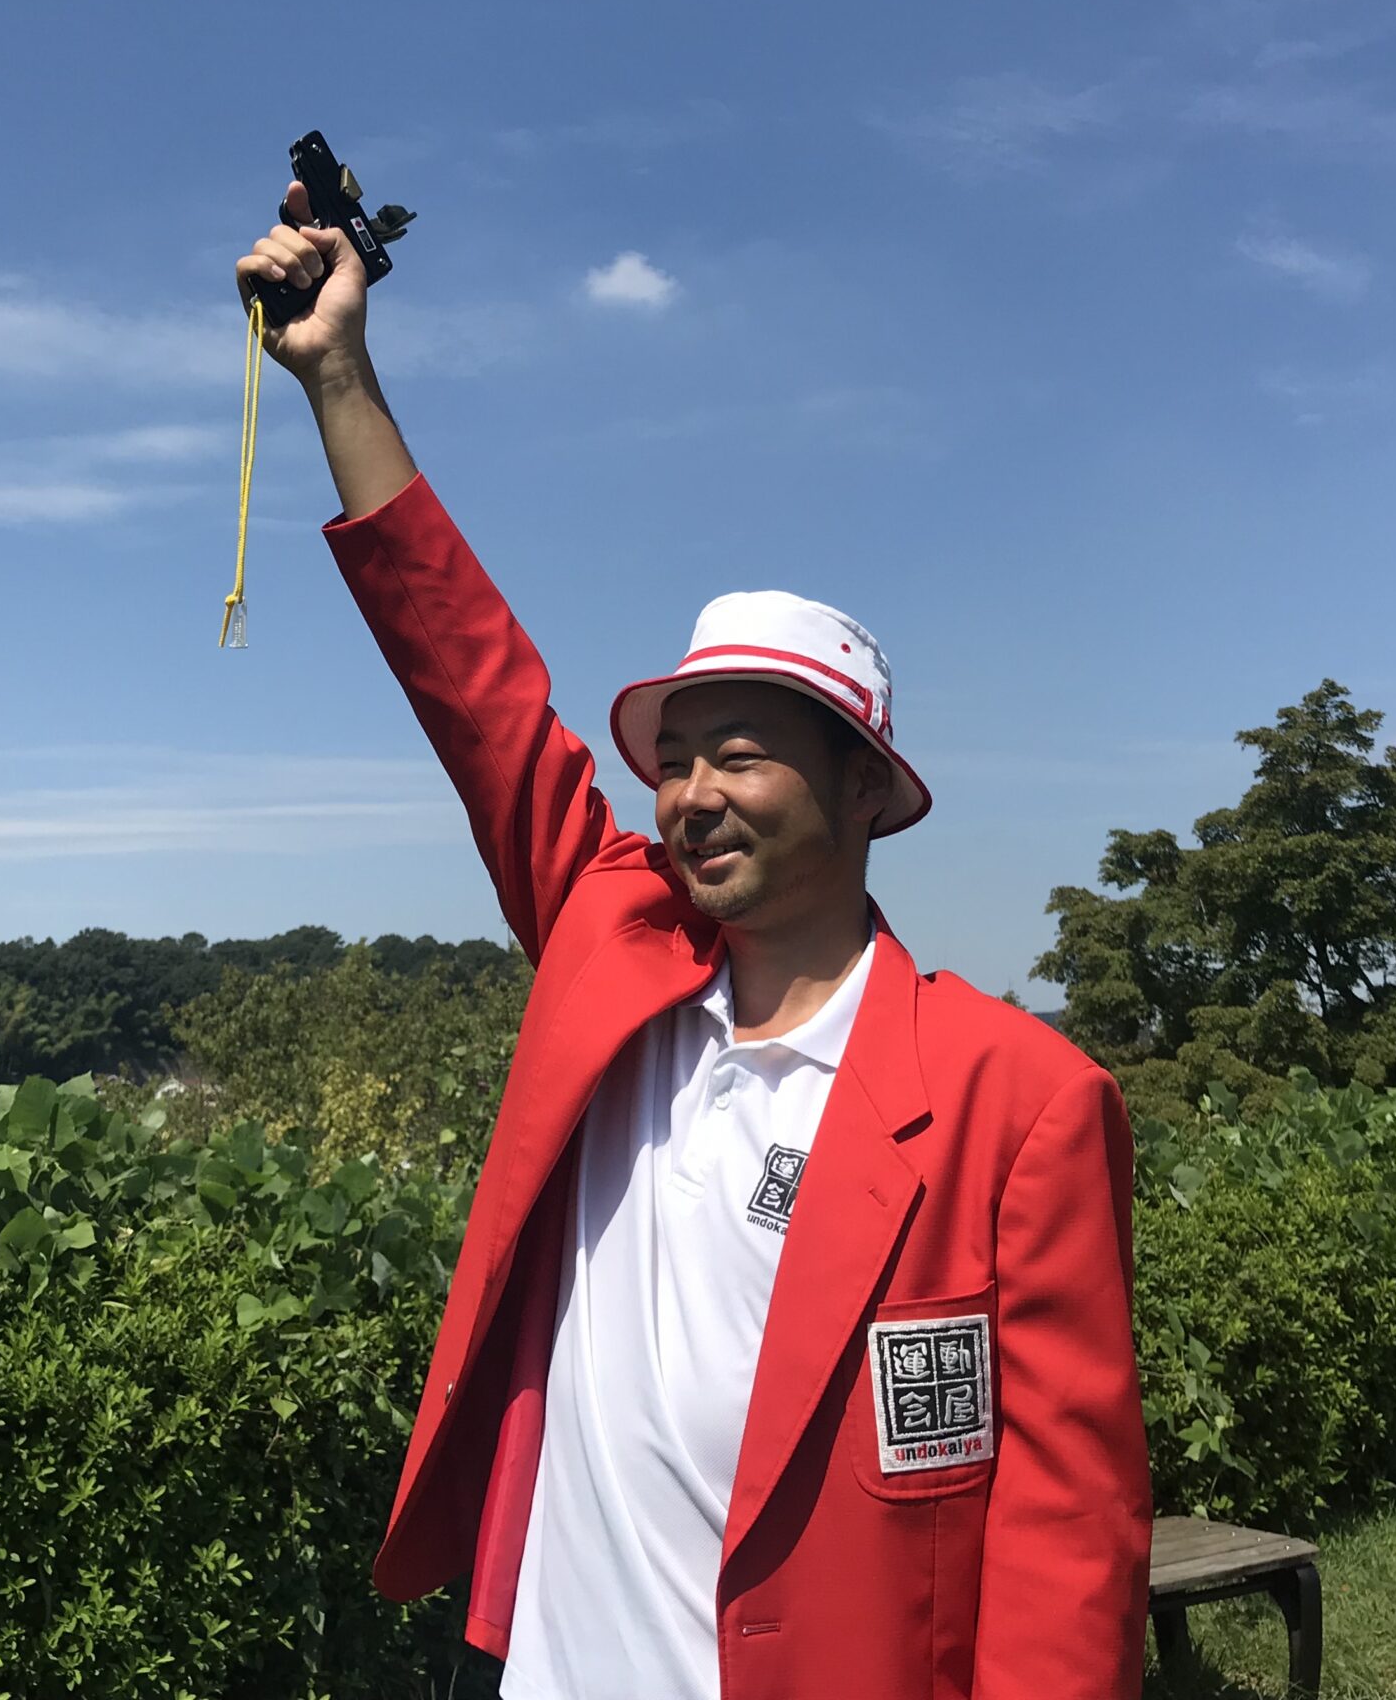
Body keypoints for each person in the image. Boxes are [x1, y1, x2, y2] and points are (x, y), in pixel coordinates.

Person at [236, 187, 1151, 1700]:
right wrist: (339, 376)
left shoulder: (1019, 1100)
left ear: (866, 791)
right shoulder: (616, 946)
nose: (692, 795)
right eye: (675, 759)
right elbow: (474, 686)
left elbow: (1069, 1533)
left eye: (743, 754)